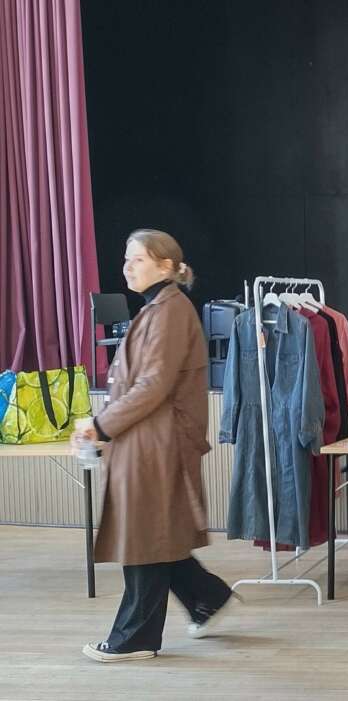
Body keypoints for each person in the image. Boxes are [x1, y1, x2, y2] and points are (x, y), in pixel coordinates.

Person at [77, 229, 237, 663]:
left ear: (166, 266)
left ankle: (135, 638)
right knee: (155, 533)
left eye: (138, 259)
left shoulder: (168, 311)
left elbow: (153, 386)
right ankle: (207, 597)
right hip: (147, 438)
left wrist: (101, 424)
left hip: (157, 440)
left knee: (145, 537)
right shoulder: (160, 307)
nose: (127, 267)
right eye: (127, 259)